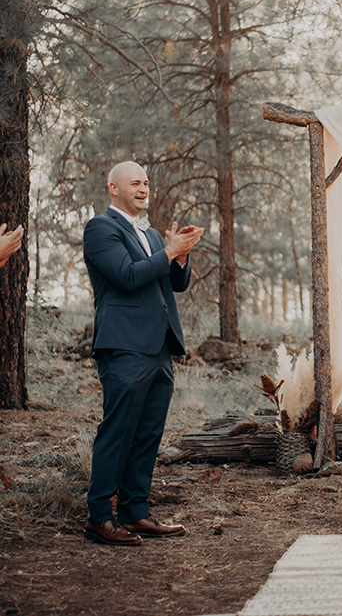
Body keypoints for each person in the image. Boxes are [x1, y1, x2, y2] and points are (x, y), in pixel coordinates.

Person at [82, 161, 204, 546]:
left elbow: (176, 283)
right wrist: (168, 251)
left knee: (148, 433)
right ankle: (99, 516)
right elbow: (128, 276)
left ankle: (134, 512)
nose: (143, 188)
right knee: (117, 430)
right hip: (123, 345)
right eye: (135, 182)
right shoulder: (101, 228)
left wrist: (179, 254)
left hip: (159, 347)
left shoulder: (151, 233)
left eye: (147, 182)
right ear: (113, 188)